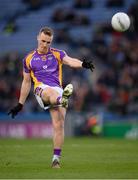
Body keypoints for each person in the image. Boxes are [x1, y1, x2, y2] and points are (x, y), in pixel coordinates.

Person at [8, 26, 95, 168]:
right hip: (41, 89)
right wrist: (20, 104)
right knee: (50, 93)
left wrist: (83, 64)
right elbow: (26, 82)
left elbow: (70, 60)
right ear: (38, 38)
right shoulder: (29, 59)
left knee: (59, 125)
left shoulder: (57, 54)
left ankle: (56, 160)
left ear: (51, 41)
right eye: (43, 41)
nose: (45, 45)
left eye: (48, 42)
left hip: (58, 89)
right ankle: (62, 100)